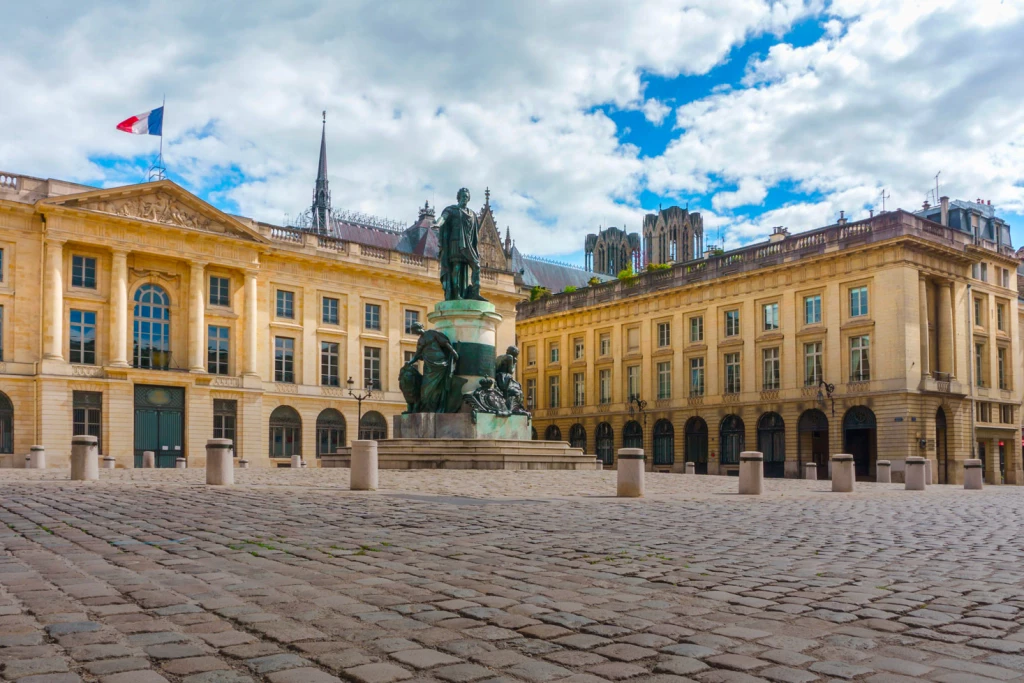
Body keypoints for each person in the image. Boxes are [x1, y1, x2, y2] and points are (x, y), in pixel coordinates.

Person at [436, 187, 485, 301]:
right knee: (456, 268)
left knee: (476, 266)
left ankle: (475, 292)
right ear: (458, 197)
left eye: (466, 197)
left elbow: (474, 234)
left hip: (468, 245)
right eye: (463, 196)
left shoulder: (472, 214)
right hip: (456, 242)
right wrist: (437, 224)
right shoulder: (452, 210)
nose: (465, 198)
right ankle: (456, 294)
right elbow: (443, 218)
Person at [405, 322, 459, 413]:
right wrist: (409, 363)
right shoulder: (420, 340)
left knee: (438, 387)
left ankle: (436, 407)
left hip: (440, 363)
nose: (415, 333)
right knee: (425, 388)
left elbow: (444, 342)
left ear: (419, 328)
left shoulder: (431, 333)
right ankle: (429, 408)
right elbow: (417, 355)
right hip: (429, 366)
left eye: (414, 330)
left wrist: (453, 351)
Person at [494, 345, 528, 414]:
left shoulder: (499, 357)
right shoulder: (510, 357)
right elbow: (511, 371)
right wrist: (515, 363)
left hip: (498, 377)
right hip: (504, 378)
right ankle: (513, 408)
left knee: (516, 388)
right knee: (518, 391)